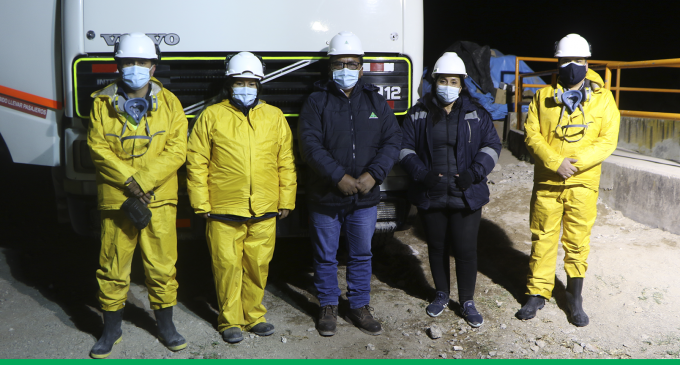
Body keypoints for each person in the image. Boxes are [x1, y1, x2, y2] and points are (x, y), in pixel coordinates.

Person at [87, 32, 188, 358]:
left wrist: (142, 182)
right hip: (117, 199)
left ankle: (166, 326)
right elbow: (97, 148)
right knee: (113, 264)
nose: (135, 68)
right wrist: (129, 182)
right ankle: (111, 328)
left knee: (162, 265)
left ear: (153, 67)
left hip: (157, 197)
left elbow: (176, 150)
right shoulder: (101, 103)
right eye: (128, 62)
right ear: (117, 66)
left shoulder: (171, 103)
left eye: (141, 62)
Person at [186, 52, 297, 344]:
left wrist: (286, 199)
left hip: (264, 206)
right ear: (229, 83)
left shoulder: (274, 116)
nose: (245, 87)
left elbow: (285, 159)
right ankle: (230, 320)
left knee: (258, 265)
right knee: (226, 265)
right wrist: (201, 202)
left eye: (251, 82)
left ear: (259, 84)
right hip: (223, 207)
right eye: (240, 82)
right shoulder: (211, 116)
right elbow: (196, 161)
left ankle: (255, 317)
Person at [298, 31, 401, 336]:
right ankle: (328, 305)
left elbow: (393, 139)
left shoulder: (375, 101)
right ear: (330, 66)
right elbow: (309, 144)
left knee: (361, 255)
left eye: (352, 63)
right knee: (325, 256)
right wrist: (337, 177)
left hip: (364, 198)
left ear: (361, 66)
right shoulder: (316, 101)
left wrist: (374, 175)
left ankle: (358, 305)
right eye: (340, 63)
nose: (345, 68)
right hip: (325, 196)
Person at [516, 34, 620, 326]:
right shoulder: (541, 97)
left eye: (579, 60)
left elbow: (607, 140)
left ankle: (574, 297)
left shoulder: (603, 100)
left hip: (583, 184)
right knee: (543, 236)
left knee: (577, 241)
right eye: (566, 60)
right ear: (558, 63)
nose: (572, 65)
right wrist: (554, 163)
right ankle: (537, 293)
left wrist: (575, 165)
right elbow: (532, 135)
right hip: (548, 182)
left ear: (588, 63)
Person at [399, 52, 501, 327]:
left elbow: (492, 146)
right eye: (443, 80)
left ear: (462, 84)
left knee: (466, 250)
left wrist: (474, 173)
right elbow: (404, 147)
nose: (447, 85)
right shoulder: (419, 113)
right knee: (437, 247)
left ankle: (467, 301)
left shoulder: (475, 113)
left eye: (453, 81)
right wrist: (421, 174)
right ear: (434, 81)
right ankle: (441, 294)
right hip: (431, 193)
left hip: (465, 193)